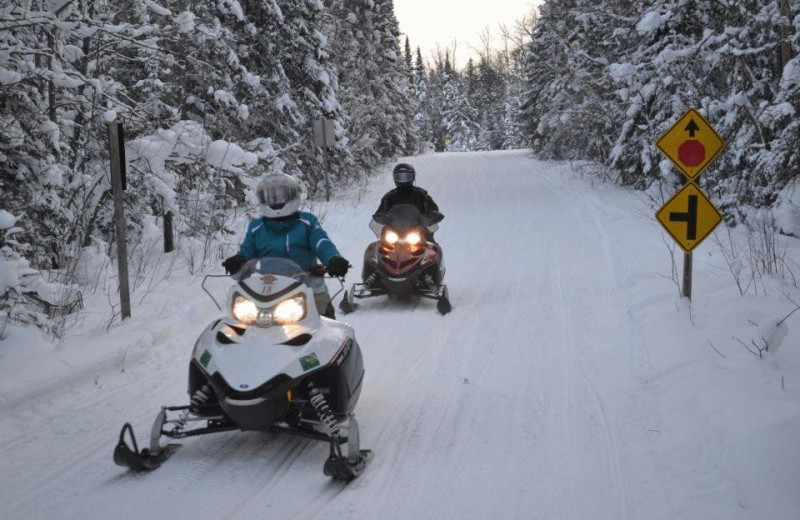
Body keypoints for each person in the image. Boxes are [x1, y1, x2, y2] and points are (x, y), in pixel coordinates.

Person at [222, 173, 349, 319]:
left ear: (293, 195)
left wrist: (333, 259)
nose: (276, 201)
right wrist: (239, 259)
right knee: (245, 322)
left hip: (308, 282)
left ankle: (329, 336)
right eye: (271, 197)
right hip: (267, 288)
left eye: (282, 196)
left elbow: (321, 243)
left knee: (324, 322)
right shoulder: (256, 227)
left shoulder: (307, 222)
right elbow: (247, 250)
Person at [373, 163, 443, 240]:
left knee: (432, 247)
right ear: (394, 178)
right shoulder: (389, 196)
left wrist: (430, 216)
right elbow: (380, 211)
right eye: (400, 177)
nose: (403, 180)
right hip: (394, 233)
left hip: (417, 231)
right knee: (378, 248)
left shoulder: (421, 194)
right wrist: (380, 217)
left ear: (412, 177)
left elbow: (433, 208)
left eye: (406, 177)